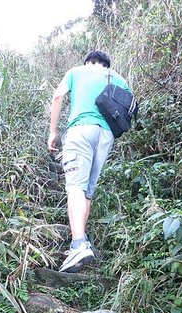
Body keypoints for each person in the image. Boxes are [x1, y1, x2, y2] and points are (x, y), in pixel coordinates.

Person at [48, 50, 132, 273]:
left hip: (81, 130)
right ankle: (82, 242)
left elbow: (58, 96)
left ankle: (78, 244)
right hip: (106, 136)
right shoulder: (119, 79)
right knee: (87, 192)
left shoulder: (76, 72)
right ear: (107, 64)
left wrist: (53, 132)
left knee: (75, 186)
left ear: (88, 62)